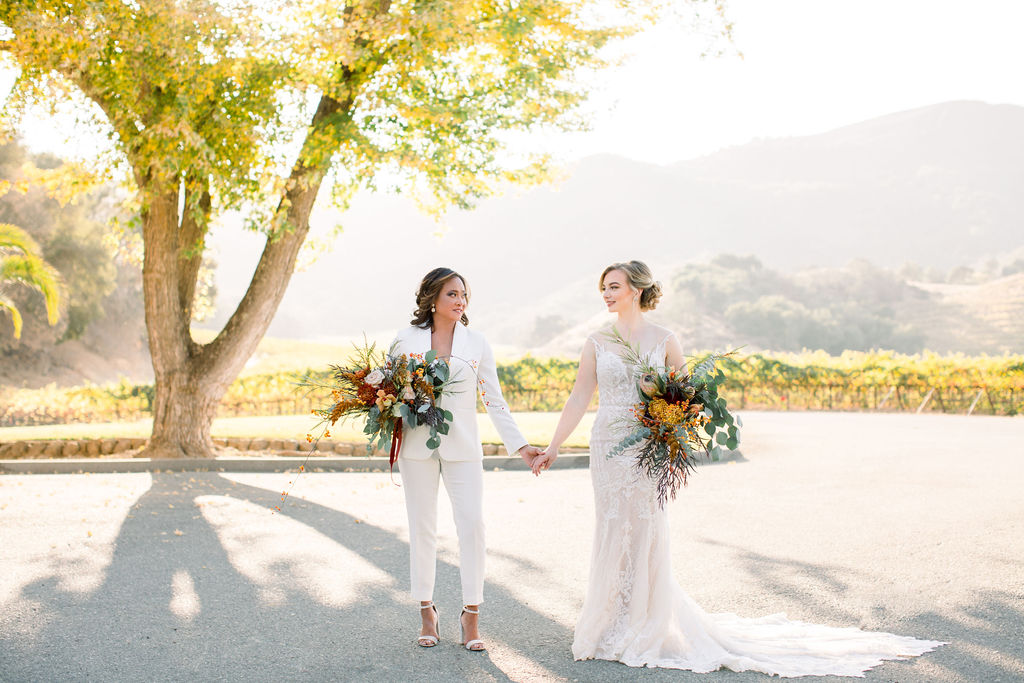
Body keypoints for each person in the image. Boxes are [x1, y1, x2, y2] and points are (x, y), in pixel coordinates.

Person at [530, 260, 943, 676]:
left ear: (635, 290)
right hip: (607, 445)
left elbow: (686, 399)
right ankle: (607, 622)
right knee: (612, 525)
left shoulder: (664, 339)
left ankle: (643, 620)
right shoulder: (597, 341)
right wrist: (553, 446)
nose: (605, 294)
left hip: (648, 445)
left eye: (613, 286)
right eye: (603, 287)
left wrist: (664, 413)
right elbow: (580, 396)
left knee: (645, 526)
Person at [391, 267, 543, 651]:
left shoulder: (477, 342)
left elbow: (493, 399)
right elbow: (390, 394)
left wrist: (521, 446)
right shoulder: (404, 340)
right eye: (452, 295)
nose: (460, 301)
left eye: (463, 295)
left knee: (472, 525)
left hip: (463, 448)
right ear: (431, 299)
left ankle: (471, 615)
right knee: (421, 527)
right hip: (415, 447)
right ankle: (427, 610)